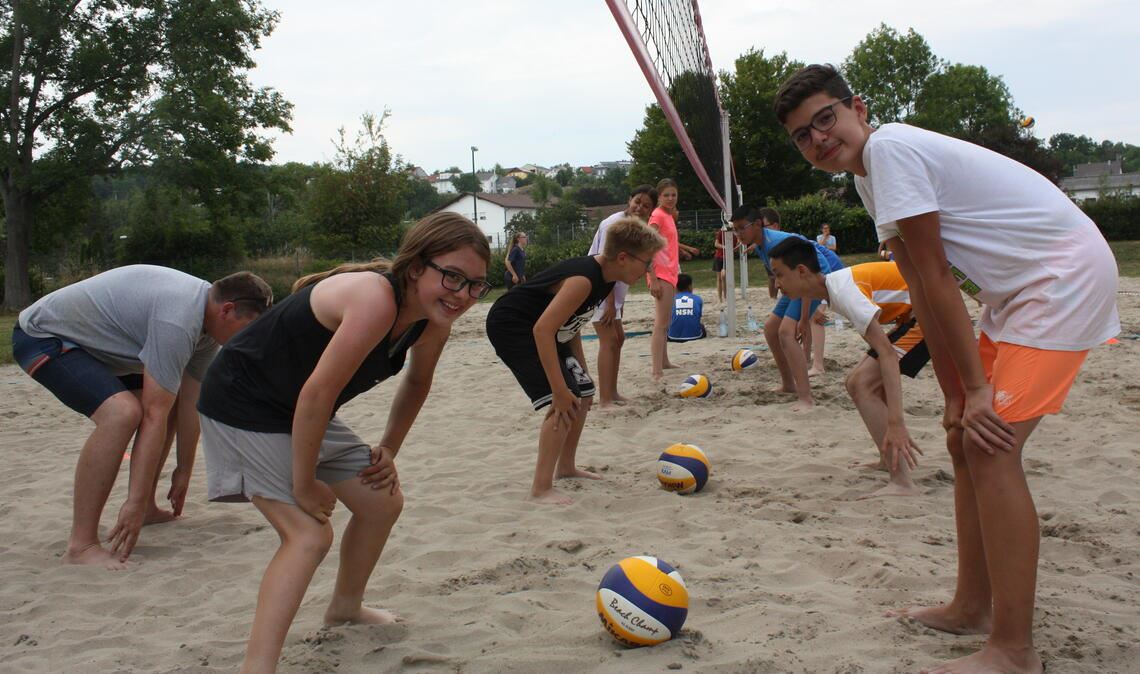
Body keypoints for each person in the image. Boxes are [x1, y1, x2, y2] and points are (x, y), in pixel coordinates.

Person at [775, 63, 1120, 674]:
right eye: (804, 135)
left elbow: (936, 278)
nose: (819, 138)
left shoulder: (891, 150)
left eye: (826, 118)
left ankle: (1014, 651)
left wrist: (980, 390)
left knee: (993, 446)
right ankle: (971, 607)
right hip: (1014, 294)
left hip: (1061, 278)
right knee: (964, 438)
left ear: (858, 108)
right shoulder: (867, 179)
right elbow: (918, 285)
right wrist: (958, 395)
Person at [196, 213, 491, 673]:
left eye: (476, 285)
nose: (462, 294)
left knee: (382, 501)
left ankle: (345, 608)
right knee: (308, 534)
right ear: (416, 267)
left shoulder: (433, 319)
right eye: (452, 276)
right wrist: (304, 482)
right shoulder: (375, 298)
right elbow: (318, 393)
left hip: (298, 407)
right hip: (242, 402)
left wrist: (389, 448)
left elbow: (417, 382)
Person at [12, 265, 271, 569]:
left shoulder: (208, 327)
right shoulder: (178, 319)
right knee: (122, 413)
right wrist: (130, 502)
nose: (249, 339)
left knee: (165, 402)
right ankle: (81, 545)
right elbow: (153, 415)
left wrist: (184, 469)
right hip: (44, 336)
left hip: (101, 348)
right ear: (228, 310)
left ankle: (147, 507)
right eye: (249, 327)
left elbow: (189, 402)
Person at [487, 218, 665, 505]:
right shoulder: (584, 279)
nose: (648, 270)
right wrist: (559, 388)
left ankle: (566, 468)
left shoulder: (604, 279)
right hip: (513, 327)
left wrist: (581, 373)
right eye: (646, 263)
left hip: (547, 329)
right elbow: (542, 330)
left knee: (583, 392)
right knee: (565, 399)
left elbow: (573, 324)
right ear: (622, 258)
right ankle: (540, 487)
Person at [769, 239, 927, 498]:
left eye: (779, 275)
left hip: (928, 314)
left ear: (801, 271)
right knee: (863, 383)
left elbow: (887, 355)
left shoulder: (844, 292)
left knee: (860, 384)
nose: (777, 284)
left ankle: (902, 482)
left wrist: (897, 422)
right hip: (915, 312)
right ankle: (889, 461)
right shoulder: (834, 288)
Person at [730, 206, 843, 410]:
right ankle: (788, 384)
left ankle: (806, 397)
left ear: (757, 225)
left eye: (741, 228)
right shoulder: (760, 244)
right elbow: (786, 279)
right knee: (771, 329)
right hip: (800, 281)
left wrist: (803, 319)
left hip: (819, 277)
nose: (738, 234)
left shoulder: (776, 242)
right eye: (734, 230)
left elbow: (809, 274)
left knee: (785, 333)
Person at [588, 185, 658, 407]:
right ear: (629, 200)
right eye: (637, 201)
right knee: (608, 341)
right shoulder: (613, 224)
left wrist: (619, 304)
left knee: (618, 339)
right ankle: (605, 399)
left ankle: (613, 392)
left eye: (646, 205)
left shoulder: (638, 228)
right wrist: (610, 304)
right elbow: (604, 265)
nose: (640, 207)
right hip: (597, 287)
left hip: (613, 292)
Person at [647, 178, 699, 381]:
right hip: (660, 273)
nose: (670, 198)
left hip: (669, 271)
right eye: (666, 195)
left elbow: (667, 243)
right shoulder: (657, 216)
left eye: (673, 195)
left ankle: (664, 361)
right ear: (659, 196)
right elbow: (647, 245)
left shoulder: (668, 215)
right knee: (661, 323)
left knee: (665, 321)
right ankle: (656, 370)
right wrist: (652, 276)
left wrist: (685, 251)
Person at [667, 273, 707, 342]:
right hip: (695, 336)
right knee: (701, 326)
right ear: (690, 286)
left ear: (676, 287)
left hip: (673, 337)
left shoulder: (670, 299)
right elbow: (697, 317)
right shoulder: (698, 299)